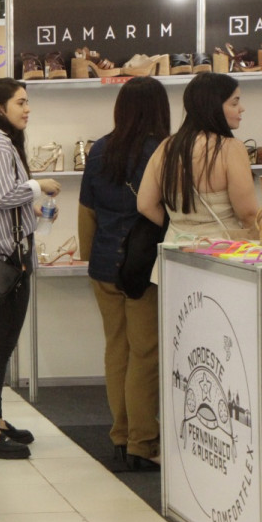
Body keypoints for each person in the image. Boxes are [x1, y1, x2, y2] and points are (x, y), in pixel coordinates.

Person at [0, 78, 61, 460]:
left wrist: (32, 206)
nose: (27, 108)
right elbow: (3, 195)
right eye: (20, 102)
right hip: (5, 261)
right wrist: (39, 185)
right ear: (0, 107)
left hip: (3, 256)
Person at [79, 77, 170, 472]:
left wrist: (89, 258)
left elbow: (88, 211)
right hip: (143, 267)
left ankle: (120, 434)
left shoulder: (100, 149)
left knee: (116, 348)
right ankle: (142, 441)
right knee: (145, 354)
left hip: (104, 265)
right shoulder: (162, 150)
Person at [137, 72, 259, 247]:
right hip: (220, 251)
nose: (242, 108)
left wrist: (181, 226)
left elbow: (144, 205)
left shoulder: (166, 147)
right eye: (235, 102)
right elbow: (247, 213)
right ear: (214, 106)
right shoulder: (230, 148)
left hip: (175, 248)